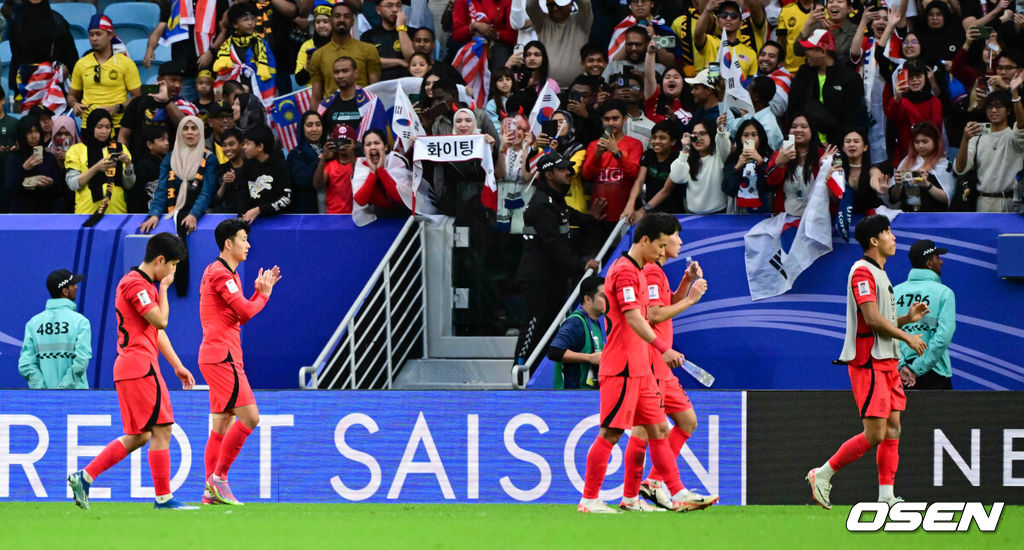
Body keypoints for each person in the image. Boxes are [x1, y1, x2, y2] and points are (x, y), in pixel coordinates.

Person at [67, 233, 198, 512]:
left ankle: (85, 477)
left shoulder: (141, 285)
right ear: (160, 260)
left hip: (133, 366)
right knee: (163, 428)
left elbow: (156, 331)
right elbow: (161, 320)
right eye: (173, 264)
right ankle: (164, 498)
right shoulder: (136, 284)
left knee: (141, 435)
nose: (174, 271)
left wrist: (177, 365)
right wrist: (164, 289)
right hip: (139, 366)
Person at [805, 215, 928, 510]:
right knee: (875, 434)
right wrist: (908, 336)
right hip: (869, 361)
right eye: (888, 232)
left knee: (894, 428)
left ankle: (886, 496)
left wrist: (906, 320)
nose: (893, 238)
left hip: (888, 361)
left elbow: (879, 318)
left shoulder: (882, 274)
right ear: (874, 240)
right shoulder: (861, 272)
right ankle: (822, 474)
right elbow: (872, 320)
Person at [577, 212, 690, 514]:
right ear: (645, 241)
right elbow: (634, 318)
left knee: (659, 430)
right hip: (623, 367)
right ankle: (589, 500)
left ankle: (673, 494)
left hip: (640, 369)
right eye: (660, 246)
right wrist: (662, 348)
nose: (663, 252)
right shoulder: (625, 271)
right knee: (611, 433)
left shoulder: (639, 271)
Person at [626, 221, 716, 511]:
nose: (679, 241)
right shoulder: (651, 272)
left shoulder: (658, 273)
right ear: (659, 241)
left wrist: (685, 285)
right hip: (653, 361)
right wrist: (691, 299)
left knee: (687, 421)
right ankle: (635, 496)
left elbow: (664, 306)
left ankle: (651, 482)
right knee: (643, 430)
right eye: (676, 236)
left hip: (662, 366)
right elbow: (653, 315)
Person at [199, 218, 281, 505]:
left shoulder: (222, 273)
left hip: (219, 354)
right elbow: (245, 313)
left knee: (222, 423)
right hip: (222, 357)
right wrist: (263, 295)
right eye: (243, 239)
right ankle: (219, 478)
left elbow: (236, 313)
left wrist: (256, 294)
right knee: (250, 417)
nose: (248, 244)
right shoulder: (221, 274)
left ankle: (210, 492)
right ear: (228, 244)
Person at [514, 151, 600, 372]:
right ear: (549, 174)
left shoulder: (554, 200)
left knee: (548, 329)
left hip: (552, 279)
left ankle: (534, 376)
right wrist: (582, 264)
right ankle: (519, 372)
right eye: (562, 169)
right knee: (532, 329)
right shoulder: (541, 204)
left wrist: (593, 219)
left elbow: (570, 216)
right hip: (537, 280)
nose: (569, 172)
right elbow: (554, 247)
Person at [786, 29, 866, 146]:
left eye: (810, 49)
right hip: (805, 142)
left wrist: (834, 144)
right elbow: (794, 109)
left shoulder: (849, 78)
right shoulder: (803, 73)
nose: (806, 53)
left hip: (835, 145)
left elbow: (850, 120)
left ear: (822, 51)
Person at [140, 117, 218, 235]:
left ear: (201, 132)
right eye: (185, 128)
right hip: (172, 215)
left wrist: (193, 214)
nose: (189, 132)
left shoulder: (209, 158)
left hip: (201, 216)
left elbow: (207, 192)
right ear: (180, 133)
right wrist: (154, 214)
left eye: (194, 128)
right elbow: (162, 190)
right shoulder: (170, 158)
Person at [894, 240, 955, 390]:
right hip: (935, 373)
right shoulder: (944, 293)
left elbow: (886, 333)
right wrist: (917, 368)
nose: (941, 261)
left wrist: (902, 365)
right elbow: (943, 337)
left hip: (900, 375)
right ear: (929, 263)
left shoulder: (894, 292)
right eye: (937, 257)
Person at [954, 84, 1024, 213]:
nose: (993, 111)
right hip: (983, 200)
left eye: (999, 106)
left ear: (1008, 110)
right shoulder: (977, 138)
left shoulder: (1013, 136)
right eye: (990, 107)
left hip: (1011, 201)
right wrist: (965, 139)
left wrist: (1014, 92)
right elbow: (960, 169)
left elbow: (1021, 125)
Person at [18, 269, 91, 389]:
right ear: (65, 291)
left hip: (43, 401)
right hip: (76, 399)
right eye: (73, 284)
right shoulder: (81, 322)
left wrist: (42, 390)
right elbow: (81, 362)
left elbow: (26, 364)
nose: (77, 287)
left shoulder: (33, 323)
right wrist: (62, 390)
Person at [68, 15, 141, 129]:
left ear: (110, 35)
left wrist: (117, 107)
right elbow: (71, 96)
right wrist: (74, 104)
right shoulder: (81, 63)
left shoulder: (126, 63)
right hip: (89, 125)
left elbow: (137, 97)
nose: (94, 38)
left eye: (98, 34)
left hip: (117, 125)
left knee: (113, 148)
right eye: (91, 35)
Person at [6, 0, 77, 111]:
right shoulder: (17, 22)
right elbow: (16, 54)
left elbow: (71, 57)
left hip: (55, 86)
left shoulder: (58, 22)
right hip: (25, 84)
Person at [120, 62, 200, 159]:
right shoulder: (139, 102)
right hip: (139, 164)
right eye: (173, 80)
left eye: (180, 81)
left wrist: (166, 101)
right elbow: (124, 135)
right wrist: (125, 160)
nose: (177, 85)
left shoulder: (183, 105)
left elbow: (184, 126)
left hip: (170, 165)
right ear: (160, 80)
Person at [582, 100, 644, 224]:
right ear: (602, 121)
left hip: (625, 214)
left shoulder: (635, 144)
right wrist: (597, 156)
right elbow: (587, 175)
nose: (610, 123)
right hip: (598, 213)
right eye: (606, 119)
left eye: (615, 118)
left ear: (625, 119)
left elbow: (634, 174)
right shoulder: (594, 145)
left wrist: (617, 152)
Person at [309, 2, 382, 105]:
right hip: (331, 114)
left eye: (346, 16)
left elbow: (375, 91)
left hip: (363, 112)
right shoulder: (318, 55)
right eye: (337, 16)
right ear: (330, 20)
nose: (342, 20)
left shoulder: (368, 50)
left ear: (352, 21)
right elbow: (316, 97)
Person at [65, 109, 135, 215]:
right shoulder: (76, 150)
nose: (104, 131)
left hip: (117, 212)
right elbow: (73, 184)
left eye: (107, 127)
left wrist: (128, 165)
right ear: (91, 127)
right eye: (99, 127)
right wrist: (96, 168)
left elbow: (129, 185)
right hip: (86, 212)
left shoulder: (120, 148)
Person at [766, 114, 835, 216]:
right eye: (793, 127)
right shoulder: (780, 153)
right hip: (785, 219)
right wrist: (778, 164)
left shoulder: (823, 155)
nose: (798, 130)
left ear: (812, 130)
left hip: (816, 220)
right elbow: (770, 183)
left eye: (803, 127)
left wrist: (824, 167)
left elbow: (835, 194)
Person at [547, 274, 605, 390]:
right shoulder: (575, 322)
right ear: (588, 299)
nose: (609, 300)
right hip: (572, 398)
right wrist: (589, 358)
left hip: (587, 394)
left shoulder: (595, 322)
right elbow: (554, 352)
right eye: (603, 296)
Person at [884, 58, 944, 165]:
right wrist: (897, 97)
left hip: (929, 160)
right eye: (910, 77)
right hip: (904, 159)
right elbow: (893, 119)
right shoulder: (899, 101)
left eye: (919, 76)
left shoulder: (935, 102)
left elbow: (935, 131)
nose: (915, 80)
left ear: (925, 77)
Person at [213, 2, 277, 102]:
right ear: (235, 24)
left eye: (253, 18)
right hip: (235, 98)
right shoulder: (226, 47)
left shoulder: (262, 45)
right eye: (245, 19)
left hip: (258, 93)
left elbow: (271, 70)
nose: (251, 23)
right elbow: (224, 74)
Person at [523, 0, 593, 88]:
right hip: (546, 88)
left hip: (575, 88)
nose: (555, 8)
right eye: (551, 5)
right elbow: (530, 6)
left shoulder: (581, 21)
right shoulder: (542, 22)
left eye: (558, 4)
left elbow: (585, 3)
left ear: (570, 4)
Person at [887, 122, 953, 212]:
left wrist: (927, 185)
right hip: (909, 217)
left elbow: (947, 199)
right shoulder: (906, 162)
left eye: (925, 141)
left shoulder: (944, 164)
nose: (920, 146)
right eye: (917, 142)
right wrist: (898, 186)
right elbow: (893, 199)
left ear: (935, 141)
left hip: (936, 218)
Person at [669, 116, 730, 214]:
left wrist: (720, 128)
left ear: (711, 134)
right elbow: (677, 178)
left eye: (703, 134)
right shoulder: (686, 158)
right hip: (692, 214)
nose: (698, 138)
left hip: (718, 214)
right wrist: (685, 149)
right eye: (694, 135)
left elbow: (723, 140)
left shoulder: (719, 155)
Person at [623, 119, 680, 222]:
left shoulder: (677, 160)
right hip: (651, 212)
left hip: (672, 214)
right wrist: (630, 205)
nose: (656, 141)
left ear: (673, 141)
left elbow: (666, 191)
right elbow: (639, 181)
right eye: (654, 138)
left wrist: (643, 210)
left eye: (662, 138)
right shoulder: (648, 155)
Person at [234, 125, 293, 223]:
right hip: (252, 222)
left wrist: (259, 210)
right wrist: (241, 216)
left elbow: (286, 198)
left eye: (248, 144)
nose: (244, 147)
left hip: (280, 222)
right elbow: (241, 194)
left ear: (260, 147)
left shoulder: (281, 166)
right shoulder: (246, 166)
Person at [5, 116, 62, 213]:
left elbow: (58, 191)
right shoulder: (13, 158)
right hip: (21, 213)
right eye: (29, 132)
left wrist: (50, 182)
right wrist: (24, 169)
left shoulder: (49, 157)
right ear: (22, 134)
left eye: (37, 131)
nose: (34, 136)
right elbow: (9, 189)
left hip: (45, 213)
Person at [353, 129, 412, 220]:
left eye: (377, 143)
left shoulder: (396, 159)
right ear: (364, 151)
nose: (373, 147)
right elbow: (360, 200)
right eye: (368, 144)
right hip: (378, 216)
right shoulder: (361, 164)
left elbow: (401, 198)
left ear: (385, 147)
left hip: (405, 214)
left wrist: (381, 170)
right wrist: (373, 172)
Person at [692, 0, 758, 79]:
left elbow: (750, 83)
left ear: (741, 23)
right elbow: (698, 34)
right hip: (712, 90)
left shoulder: (750, 53)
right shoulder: (709, 42)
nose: (728, 18)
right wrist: (707, 10)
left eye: (734, 16)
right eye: (724, 15)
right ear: (717, 21)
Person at [722, 118, 773, 213]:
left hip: (765, 211)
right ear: (740, 138)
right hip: (739, 213)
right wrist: (738, 166)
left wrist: (761, 164)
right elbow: (728, 188)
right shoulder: (733, 158)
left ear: (760, 137)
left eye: (754, 135)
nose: (749, 139)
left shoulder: (769, 156)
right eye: (745, 135)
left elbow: (772, 185)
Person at [451, 0, 516, 71]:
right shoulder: (462, 1)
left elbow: (514, 36)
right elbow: (456, 35)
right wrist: (472, 27)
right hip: (471, 48)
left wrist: (497, 35)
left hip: (498, 47)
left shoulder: (505, 1)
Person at [361, 0, 415, 81]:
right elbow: (369, 61)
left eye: (398, 5)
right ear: (378, 10)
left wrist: (401, 28)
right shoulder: (368, 36)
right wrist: (399, 61)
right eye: (389, 6)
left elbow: (413, 59)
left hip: (406, 83)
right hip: (379, 85)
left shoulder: (412, 32)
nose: (395, 9)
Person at [725, 75, 782, 150]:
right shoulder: (750, 115)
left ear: (756, 98)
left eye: (748, 91)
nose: (746, 94)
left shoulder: (769, 127)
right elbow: (731, 128)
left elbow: (767, 159)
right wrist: (722, 97)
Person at [314, 124, 357, 214]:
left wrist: (351, 155)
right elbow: (318, 185)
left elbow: (361, 181)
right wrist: (324, 158)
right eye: (339, 141)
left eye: (346, 142)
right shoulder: (330, 165)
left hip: (355, 213)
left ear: (354, 143)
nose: (342, 145)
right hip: (333, 214)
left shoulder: (358, 162)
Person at [287, 112, 325, 214]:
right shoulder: (295, 154)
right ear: (302, 129)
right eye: (309, 125)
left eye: (318, 124)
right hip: (307, 213)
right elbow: (302, 180)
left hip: (332, 210)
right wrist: (321, 160)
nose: (314, 129)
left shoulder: (330, 151)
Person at [129, 127, 170, 214]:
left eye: (167, 139)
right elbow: (137, 195)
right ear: (150, 144)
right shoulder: (143, 166)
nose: (167, 143)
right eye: (162, 140)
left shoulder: (168, 163)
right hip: (146, 214)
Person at [295, 0, 335, 86]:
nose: (321, 25)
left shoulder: (340, 43)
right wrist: (307, 66)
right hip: (314, 95)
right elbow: (299, 81)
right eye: (317, 22)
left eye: (325, 21)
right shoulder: (307, 46)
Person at [776, 0, 817, 74]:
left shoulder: (823, 11)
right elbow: (781, 40)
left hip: (816, 70)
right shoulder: (786, 10)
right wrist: (781, 60)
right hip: (791, 71)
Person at [756, 40, 792, 118]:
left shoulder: (783, 81)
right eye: (762, 54)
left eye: (771, 56)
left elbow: (776, 111)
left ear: (780, 63)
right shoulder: (756, 77)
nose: (765, 58)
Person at [215, 129, 247, 212]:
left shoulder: (252, 166)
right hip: (227, 215)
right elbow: (216, 199)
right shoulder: (220, 169)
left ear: (241, 145)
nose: (228, 148)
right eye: (224, 145)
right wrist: (224, 183)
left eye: (231, 144)